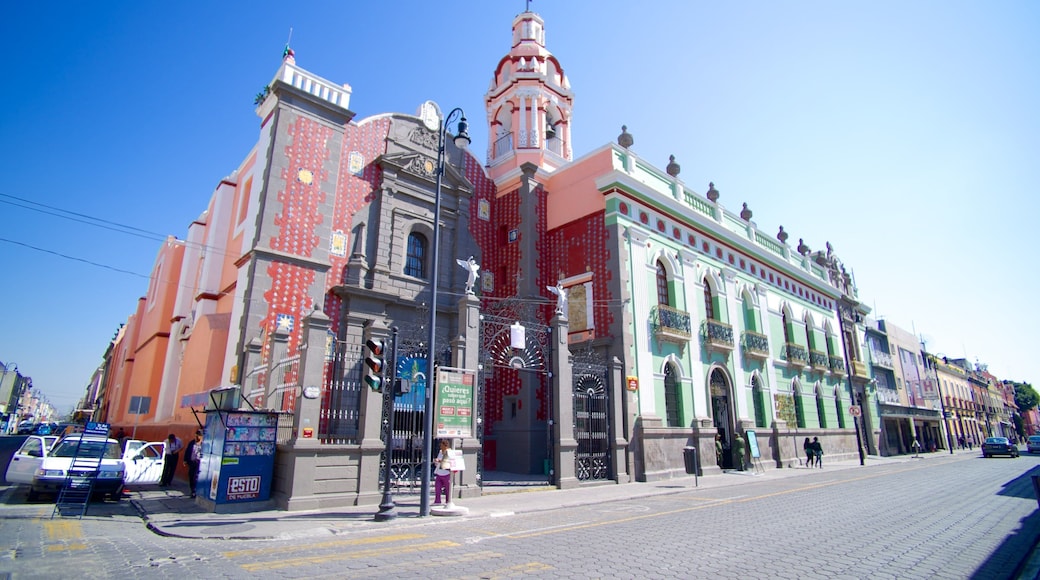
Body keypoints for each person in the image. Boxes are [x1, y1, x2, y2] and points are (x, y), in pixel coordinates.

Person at [183, 430, 203, 498]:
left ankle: (195, 490)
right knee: (191, 476)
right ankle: (192, 490)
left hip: (199, 462)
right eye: (196, 435)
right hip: (192, 462)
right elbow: (187, 451)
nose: (197, 437)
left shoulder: (204, 444)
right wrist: (185, 460)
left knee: (195, 476)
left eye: (198, 436)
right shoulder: (192, 443)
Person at [433, 439, 452, 505]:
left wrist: (440, 461)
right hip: (439, 473)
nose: (440, 447)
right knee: (437, 488)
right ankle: (437, 501)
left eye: (442, 445)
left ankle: (448, 501)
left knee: (447, 490)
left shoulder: (449, 452)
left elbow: (449, 462)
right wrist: (436, 461)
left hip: (446, 473)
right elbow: (438, 462)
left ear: (445, 446)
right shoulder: (440, 452)